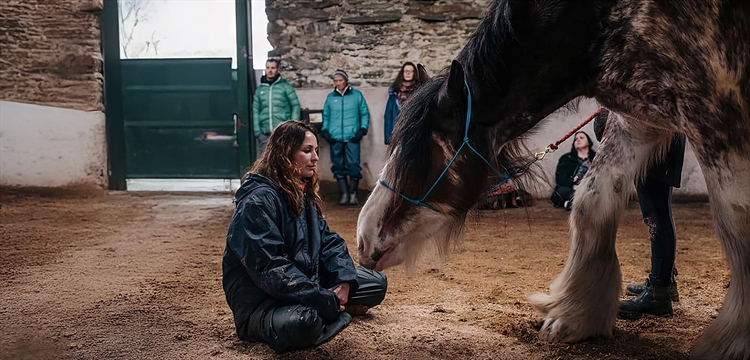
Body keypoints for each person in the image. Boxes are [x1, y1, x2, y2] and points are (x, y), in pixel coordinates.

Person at [222, 121, 387, 353]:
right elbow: (271, 269)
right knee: (302, 323)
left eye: (316, 151)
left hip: (306, 282)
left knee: (375, 283)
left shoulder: (300, 190)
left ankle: (334, 308)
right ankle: (337, 311)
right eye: (307, 150)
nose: (316, 158)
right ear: (285, 153)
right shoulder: (257, 202)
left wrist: (343, 282)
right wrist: (321, 297)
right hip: (263, 301)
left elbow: (329, 242)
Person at [589, 109, 687, 319]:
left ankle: (659, 292)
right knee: (658, 213)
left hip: (654, 142)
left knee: (656, 216)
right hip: (659, 139)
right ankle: (663, 282)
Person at [320, 69, 371, 206]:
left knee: (353, 164)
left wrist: (362, 130)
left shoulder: (357, 95)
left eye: (340, 80)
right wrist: (325, 130)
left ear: (346, 80)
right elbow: (326, 115)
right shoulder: (330, 97)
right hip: (335, 137)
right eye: (335, 81)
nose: (338, 83)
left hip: (352, 137)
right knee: (338, 165)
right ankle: (344, 194)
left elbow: (364, 113)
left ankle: (353, 194)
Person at [252, 58, 301, 158]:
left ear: (278, 70)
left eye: (273, 68)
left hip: (282, 133)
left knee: (282, 161)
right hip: (265, 134)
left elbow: (295, 106)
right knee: (264, 163)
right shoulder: (260, 90)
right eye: (268, 67)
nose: (270, 70)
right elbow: (256, 110)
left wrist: (291, 127)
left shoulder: (285, 87)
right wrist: (258, 131)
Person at [550, 131, 596, 210]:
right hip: (572, 189)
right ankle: (583, 204)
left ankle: (573, 204)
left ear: (588, 142)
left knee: (599, 193)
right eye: (575, 139)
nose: (578, 140)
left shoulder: (596, 158)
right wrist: (573, 186)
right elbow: (560, 178)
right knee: (561, 192)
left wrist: (587, 187)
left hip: (590, 189)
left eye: (581, 138)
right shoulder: (565, 158)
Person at [384, 62, 426, 145]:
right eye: (406, 71)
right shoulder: (394, 93)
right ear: (402, 73)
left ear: (414, 74)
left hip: (415, 134)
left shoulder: (420, 91)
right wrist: (388, 138)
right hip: (398, 134)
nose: (407, 73)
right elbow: (388, 115)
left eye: (410, 71)